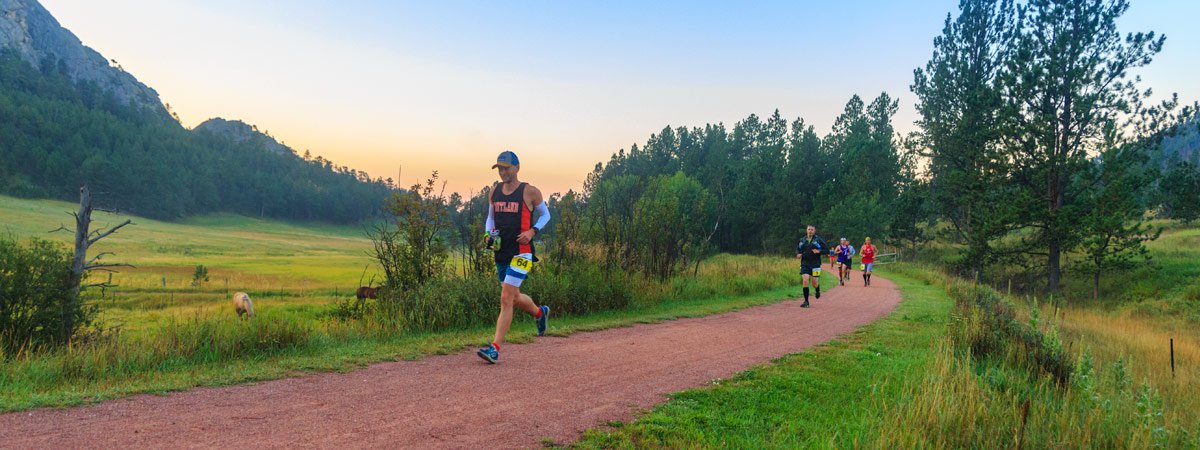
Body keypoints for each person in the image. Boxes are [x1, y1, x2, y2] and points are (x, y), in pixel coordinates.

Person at [477, 150, 551, 364]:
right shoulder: (494, 192)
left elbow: (546, 215)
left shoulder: (530, 192)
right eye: (499, 168)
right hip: (501, 252)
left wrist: (532, 231)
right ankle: (539, 313)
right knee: (515, 297)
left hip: (522, 253)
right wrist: (487, 234)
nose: (502, 172)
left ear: (517, 168)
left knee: (505, 298)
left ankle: (495, 348)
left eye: (506, 168)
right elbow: (490, 219)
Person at [795, 225, 829, 308]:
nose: (810, 231)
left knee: (814, 283)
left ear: (814, 231)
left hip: (815, 264)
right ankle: (806, 301)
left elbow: (827, 250)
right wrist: (798, 254)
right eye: (809, 229)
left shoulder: (818, 240)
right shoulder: (802, 240)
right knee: (805, 280)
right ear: (806, 230)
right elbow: (798, 249)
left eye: (812, 229)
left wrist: (819, 251)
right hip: (805, 264)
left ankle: (817, 290)